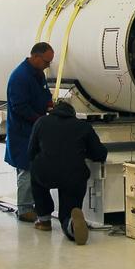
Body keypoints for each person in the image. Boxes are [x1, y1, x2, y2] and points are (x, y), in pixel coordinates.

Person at [27, 100, 107, 244]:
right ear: (73, 113)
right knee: (68, 209)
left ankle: (44, 220)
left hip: (45, 172)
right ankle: (70, 224)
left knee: (35, 177)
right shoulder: (83, 126)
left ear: (53, 110)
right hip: (74, 174)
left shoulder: (41, 122)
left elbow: (30, 152)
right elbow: (100, 154)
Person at [6, 42, 53, 222]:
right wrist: (39, 119)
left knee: (32, 168)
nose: (48, 66)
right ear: (35, 57)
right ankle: (24, 209)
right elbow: (19, 107)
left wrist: (49, 105)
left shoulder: (37, 74)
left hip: (34, 130)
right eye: (46, 62)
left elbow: (45, 93)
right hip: (23, 131)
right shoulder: (20, 77)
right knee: (26, 168)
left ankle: (30, 205)